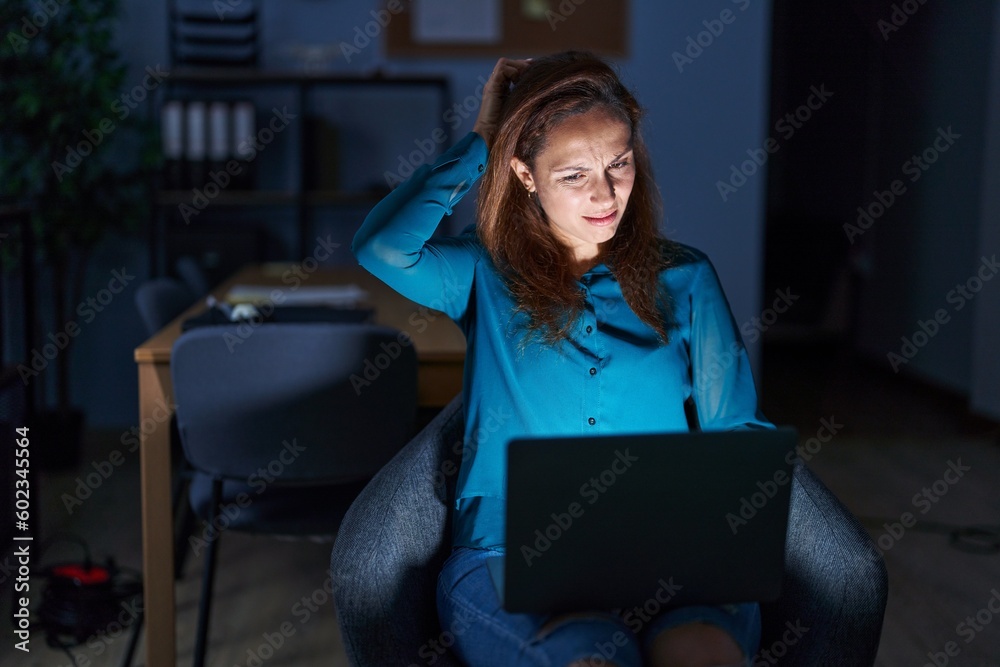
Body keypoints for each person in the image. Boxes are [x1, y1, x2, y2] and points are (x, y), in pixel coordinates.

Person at [353, 52, 773, 667]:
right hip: (511, 552)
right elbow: (383, 247)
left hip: (668, 551)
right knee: (590, 657)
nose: (605, 194)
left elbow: (737, 431)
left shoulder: (686, 278)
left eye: (619, 164)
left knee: (703, 654)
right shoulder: (482, 272)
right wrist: (482, 141)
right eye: (574, 175)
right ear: (524, 174)